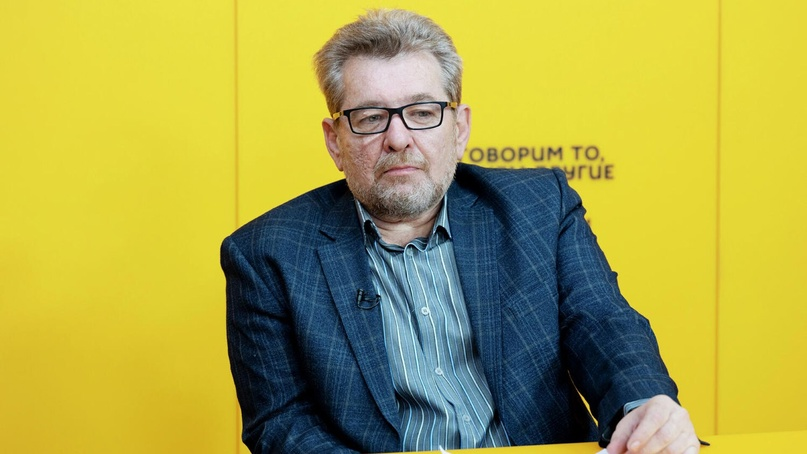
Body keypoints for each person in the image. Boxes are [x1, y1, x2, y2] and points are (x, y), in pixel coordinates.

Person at [221, 8, 702, 454]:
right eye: (370, 118)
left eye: (422, 112)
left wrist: (644, 408)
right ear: (335, 142)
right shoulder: (266, 255)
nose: (398, 138)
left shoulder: (539, 206)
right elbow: (282, 423)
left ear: (460, 128)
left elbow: (601, 322)